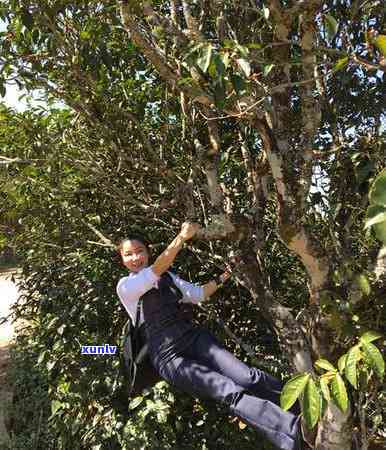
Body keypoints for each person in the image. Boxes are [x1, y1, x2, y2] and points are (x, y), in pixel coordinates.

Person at [116, 222, 305, 450]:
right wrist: (181, 237)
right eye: (128, 254)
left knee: (248, 377)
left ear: (147, 252)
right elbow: (155, 269)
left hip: (193, 339)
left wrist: (227, 273)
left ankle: (303, 404)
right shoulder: (126, 286)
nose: (135, 258)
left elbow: (199, 294)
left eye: (139, 252)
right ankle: (295, 433)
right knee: (228, 391)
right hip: (169, 358)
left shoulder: (168, 278)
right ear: (122, 259)